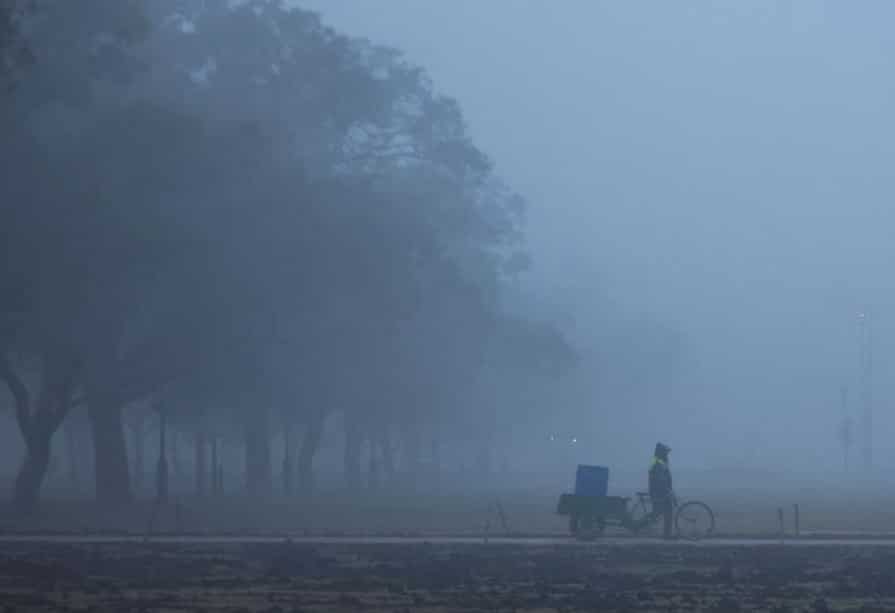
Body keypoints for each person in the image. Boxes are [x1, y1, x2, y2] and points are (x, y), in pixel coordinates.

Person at [648, 442, 674, 539]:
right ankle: (667, 535)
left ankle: (667, 535)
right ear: (661, 453)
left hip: (660, 491)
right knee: (667, 511)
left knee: (659, 512)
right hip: (659, 492)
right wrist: (667, 489)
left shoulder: (659, 461)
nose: (667, 454)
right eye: (665, 452)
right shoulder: (658, 462)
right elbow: (660, 479)